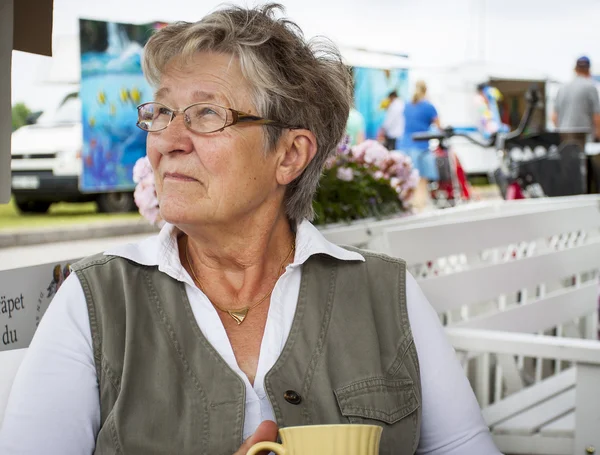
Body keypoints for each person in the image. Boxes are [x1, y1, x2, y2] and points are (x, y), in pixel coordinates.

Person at [0, 5, 500, 455]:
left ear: (289, 155)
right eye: (160, 112)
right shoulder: (96, 302)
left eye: (206, 114)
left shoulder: (384, 294)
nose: (167, 141)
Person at [552, 56, 600, 193]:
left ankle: (566, 192)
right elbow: (596, 116)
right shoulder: (590, 87)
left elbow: (554, 117)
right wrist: (598, 134)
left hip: (563, 132)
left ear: (575, 69)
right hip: (581, 132)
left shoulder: (563, 88)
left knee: (567, 165)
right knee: (581, 165)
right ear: (588, 70)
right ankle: (582, 193)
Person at [398, 80, 442, 209]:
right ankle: (419, 206)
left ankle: (407, 205)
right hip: (420, 147)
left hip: (404, 145)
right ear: (426, 90)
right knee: (421, 179)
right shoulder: (429, 106)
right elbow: (439, 127)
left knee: (406, 180)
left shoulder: (407, 105)